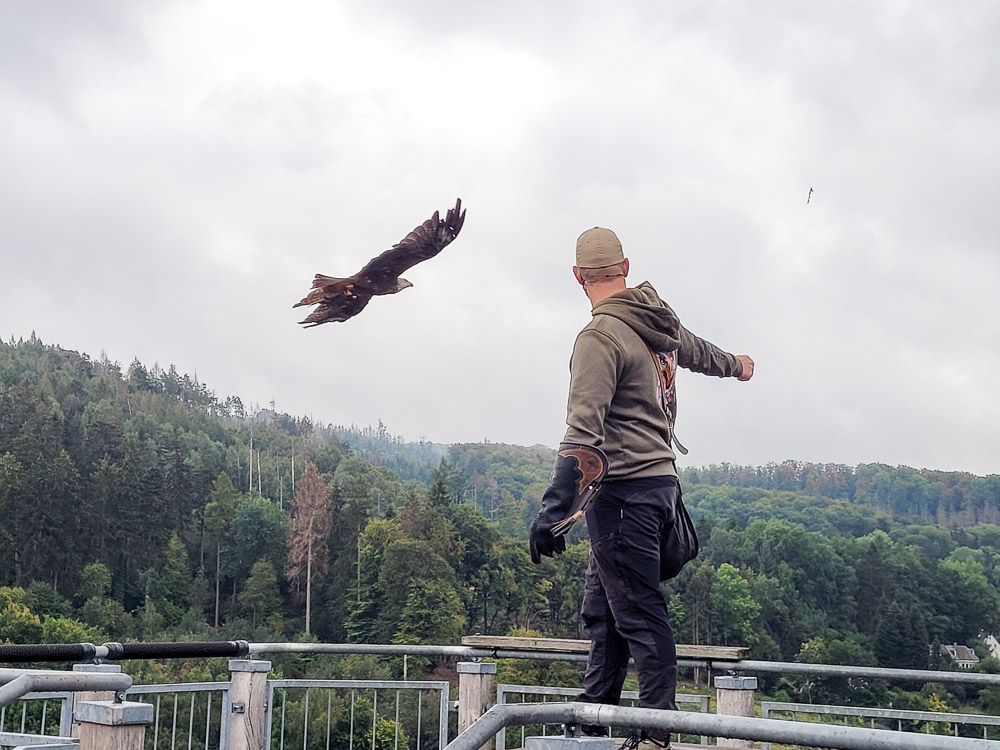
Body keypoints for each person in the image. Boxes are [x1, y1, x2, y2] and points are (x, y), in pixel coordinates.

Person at [529, 227, 754, 749]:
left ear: (577, 276)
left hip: (624, 494)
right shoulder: (658, 321)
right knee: (606, 610)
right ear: (626, 268)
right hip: (660, 490)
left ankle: (657, 734)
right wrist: (739, 367)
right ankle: (592, 717)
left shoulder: (599, 338)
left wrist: (552, 513)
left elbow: (583, 434)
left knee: (639, 614)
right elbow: (700, 353)